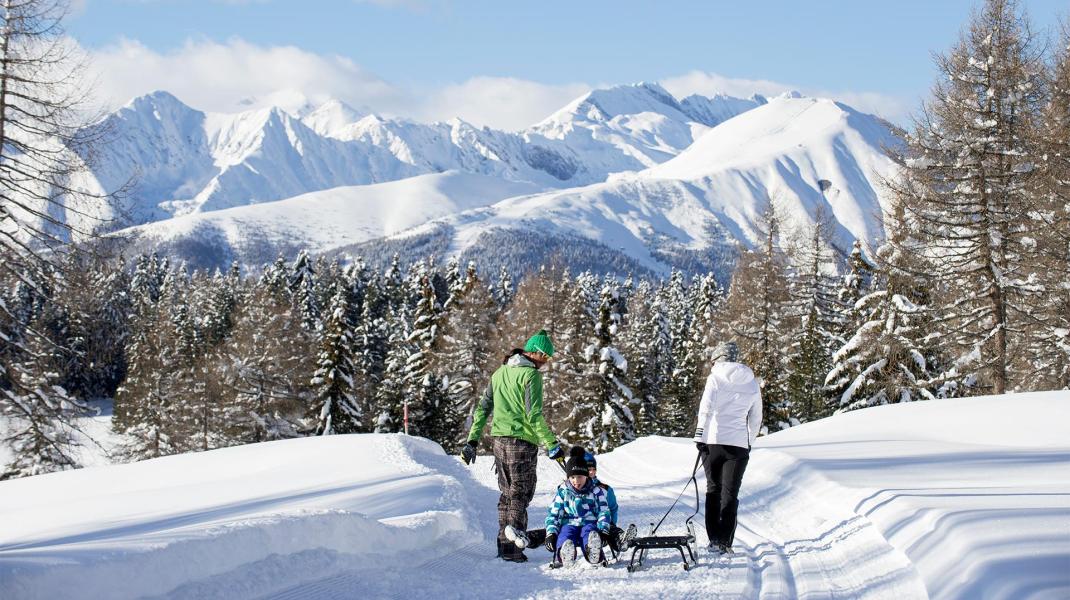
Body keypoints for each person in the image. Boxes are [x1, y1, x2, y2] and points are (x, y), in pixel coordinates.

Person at [460, 329, 564, 563]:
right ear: (535, 353)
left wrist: (472, 441)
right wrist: (552, 444)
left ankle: (504, 545)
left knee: (507, 494)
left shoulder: (499, 374)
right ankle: (514, 544)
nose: (546, 362)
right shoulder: (531, 376)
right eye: (545, 357)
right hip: (522, 442)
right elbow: (533, 414)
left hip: (499, 442)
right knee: (520, 492)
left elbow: (483, 409)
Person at [693, 341, 762, 554]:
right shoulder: (752, 383)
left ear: (718, 359)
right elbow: (756, 416)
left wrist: (699, 434)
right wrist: (750, 440)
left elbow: (706, 407)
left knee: (713, 489)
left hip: (713, 442)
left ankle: (714, 539)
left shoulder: (714, 378)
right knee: (730, 493)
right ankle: (725, 541)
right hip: (739, 446)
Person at [502, 449, 636, 555]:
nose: (590, 472)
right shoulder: (566, 488)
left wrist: (609, 527)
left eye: (592, 469)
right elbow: (556, 512)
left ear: (595, 471)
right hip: (571, 524)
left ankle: (620, 539)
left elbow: (612, 510)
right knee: (554, 531)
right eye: (587, 469)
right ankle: (526, 538)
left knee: (611, 528)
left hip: (595, 526)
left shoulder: (603, 490)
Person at [543, 446, 612, 565]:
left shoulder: (595, 491)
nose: (576, 481)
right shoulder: (563, 491)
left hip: (589, 523)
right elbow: (554, 513)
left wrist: (604, 530)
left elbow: (603, 511)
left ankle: (593, 553)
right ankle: (565, 554)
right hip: (569, 524)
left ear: (586, 476)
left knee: (590, 535)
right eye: (572, 477)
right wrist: (551, 532)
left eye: (579, 477)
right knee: (565, 535)